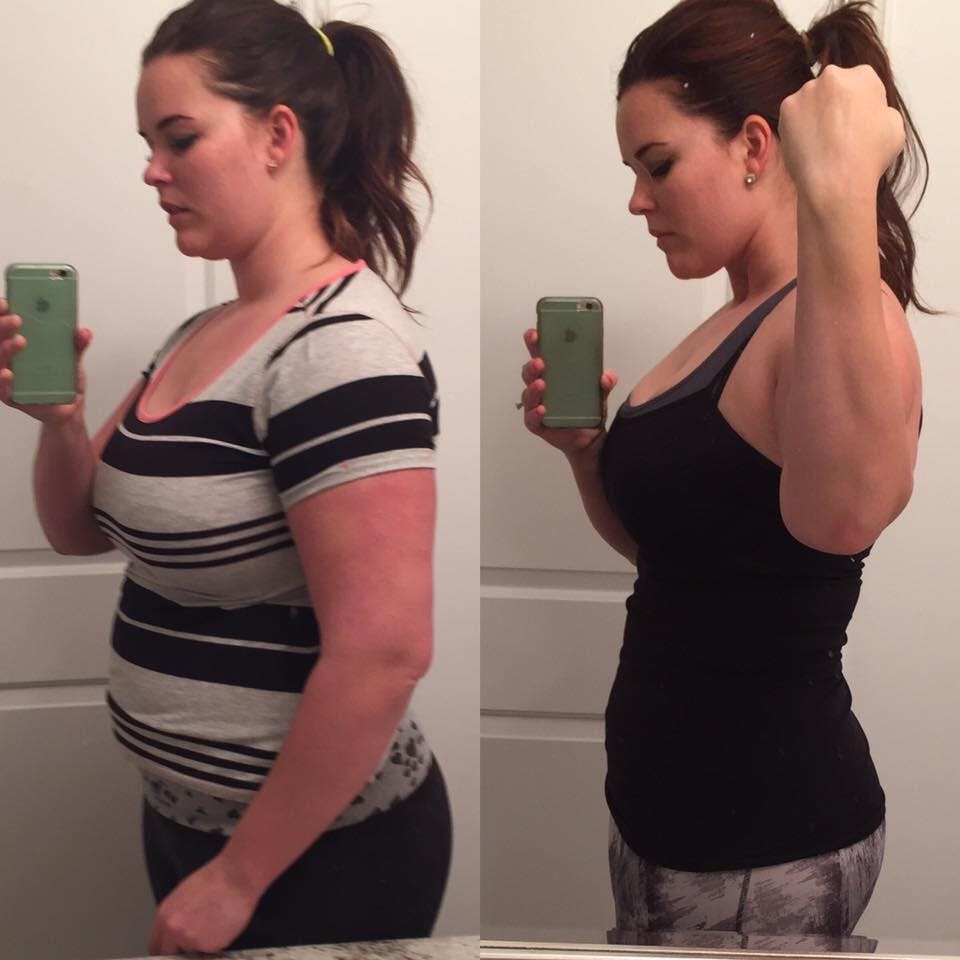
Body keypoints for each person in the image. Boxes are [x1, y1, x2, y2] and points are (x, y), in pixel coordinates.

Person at [0, 0, 450, 952]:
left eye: (180, 139)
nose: (152, 171)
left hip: (315, 859)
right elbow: (79, 530)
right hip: (194, 825)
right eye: (148, 145)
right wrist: (63, 421)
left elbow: (385, 653)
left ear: (279, 134)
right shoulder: (205, 332)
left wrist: (239, 879)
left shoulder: (339, 347)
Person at [520, 0, 929, 938]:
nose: (638, 200)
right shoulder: (731, 318)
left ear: (754, 144)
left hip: (767, 848)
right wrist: (585, 454)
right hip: (667, 830)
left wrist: (838, 183)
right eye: (633, 172)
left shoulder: (843, 315)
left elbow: (844, 517)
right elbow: (682, 561)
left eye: (657, 164)